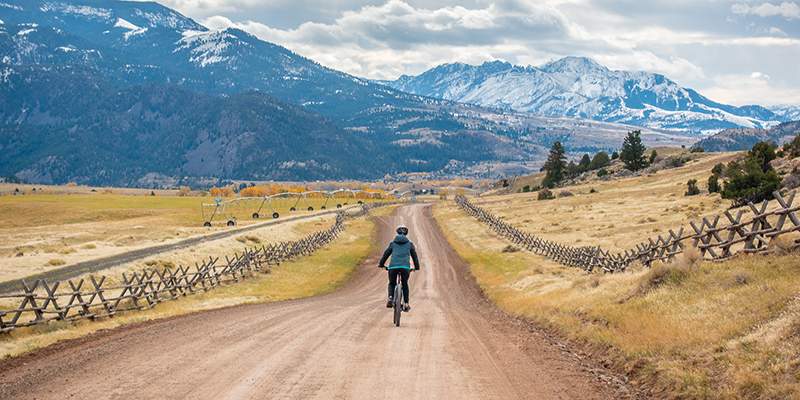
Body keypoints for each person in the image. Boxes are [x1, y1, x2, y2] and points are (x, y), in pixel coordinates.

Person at [378, 225, 420, 312]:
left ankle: (390, 297)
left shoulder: (392, 244)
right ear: (406, 234)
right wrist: (416, 267)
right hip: (405, 267)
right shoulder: (410, 244)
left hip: (393, 267)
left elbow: (386, 254)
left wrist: (381, 264)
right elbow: (414, 257)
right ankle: (406, 304)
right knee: (404, 284)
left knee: (392, 283)